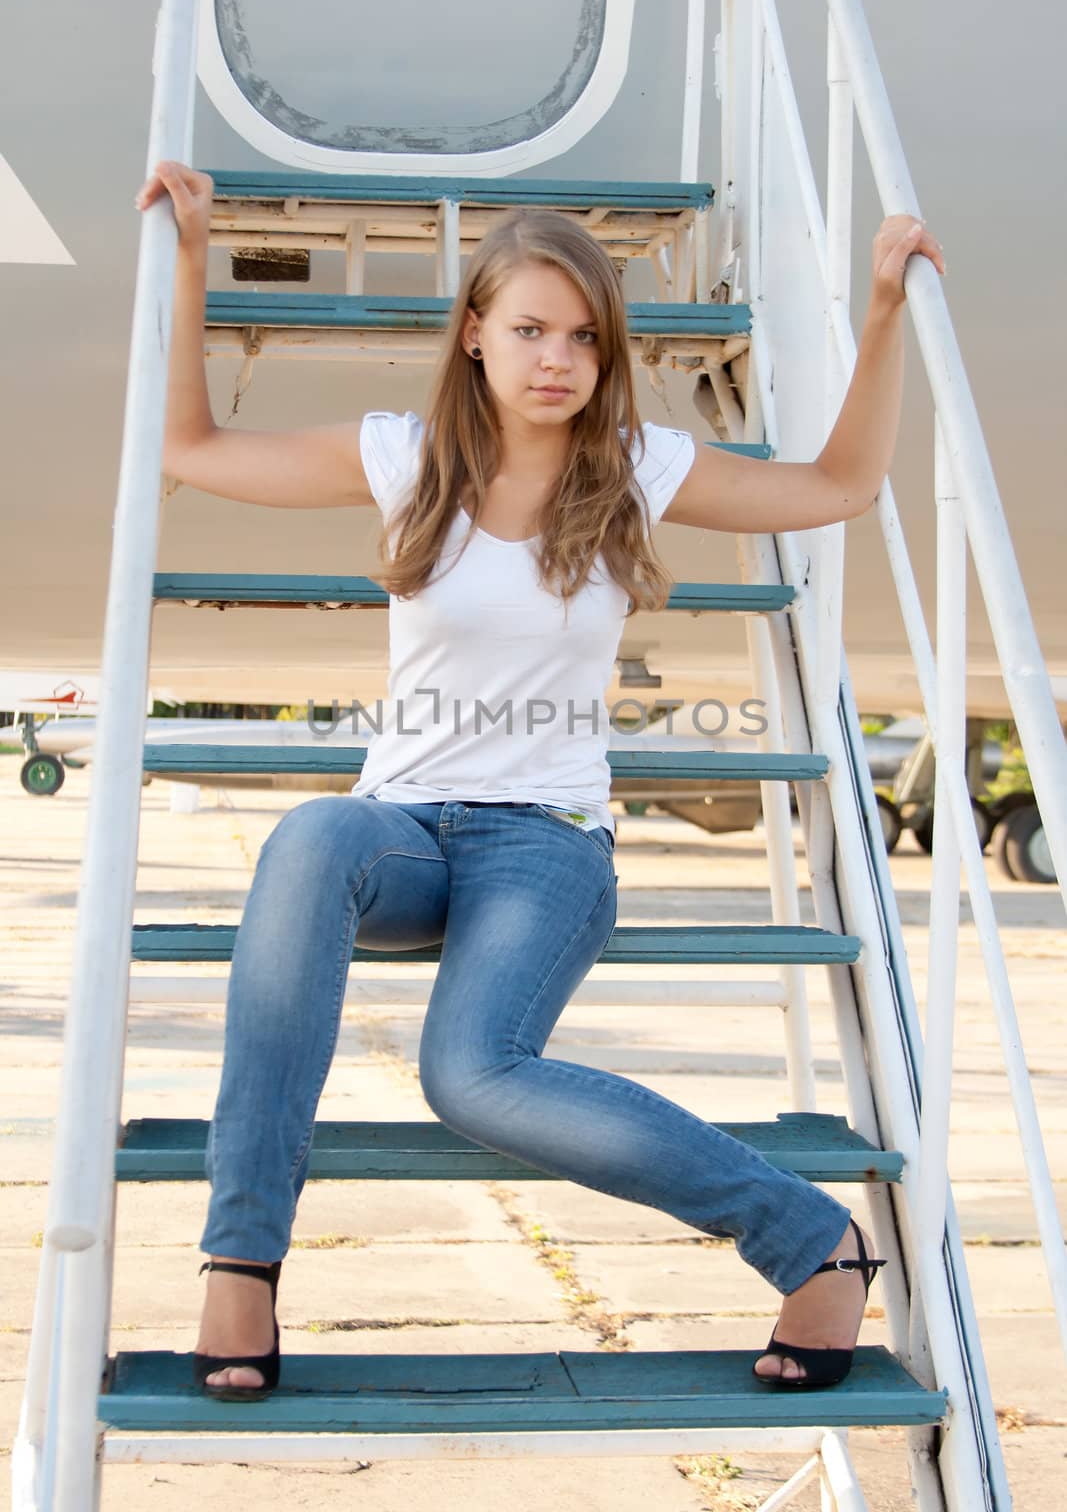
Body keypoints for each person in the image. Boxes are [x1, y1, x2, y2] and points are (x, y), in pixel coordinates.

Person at [137, 160, 945, 1401]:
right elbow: (187, 447)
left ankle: (809, 1237)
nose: (554, 358)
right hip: (401, 830)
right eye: (525, 329)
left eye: (580, 336)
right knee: (310, 834)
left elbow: (837, 487)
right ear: (473, 334)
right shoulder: (402, 457)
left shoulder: (633, 464)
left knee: (471, 1073)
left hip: (545, 843)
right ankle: (240, 1257)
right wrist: (191, 256)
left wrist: (881, 314)